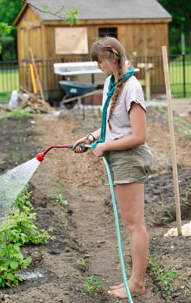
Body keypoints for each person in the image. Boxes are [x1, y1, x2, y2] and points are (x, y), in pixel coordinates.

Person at [73, 36, 153, 299]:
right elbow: (113, 127)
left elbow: (138, 135)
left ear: (113, 57)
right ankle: (133, 281)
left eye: (100, 61)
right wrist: (92, 137)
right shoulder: (110, 83)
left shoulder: (132, 87)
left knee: (134, 225)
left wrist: (106, 147)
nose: (98, 66)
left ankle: (137, 284)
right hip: (119, 157)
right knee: (130, 224)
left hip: (129, 158)